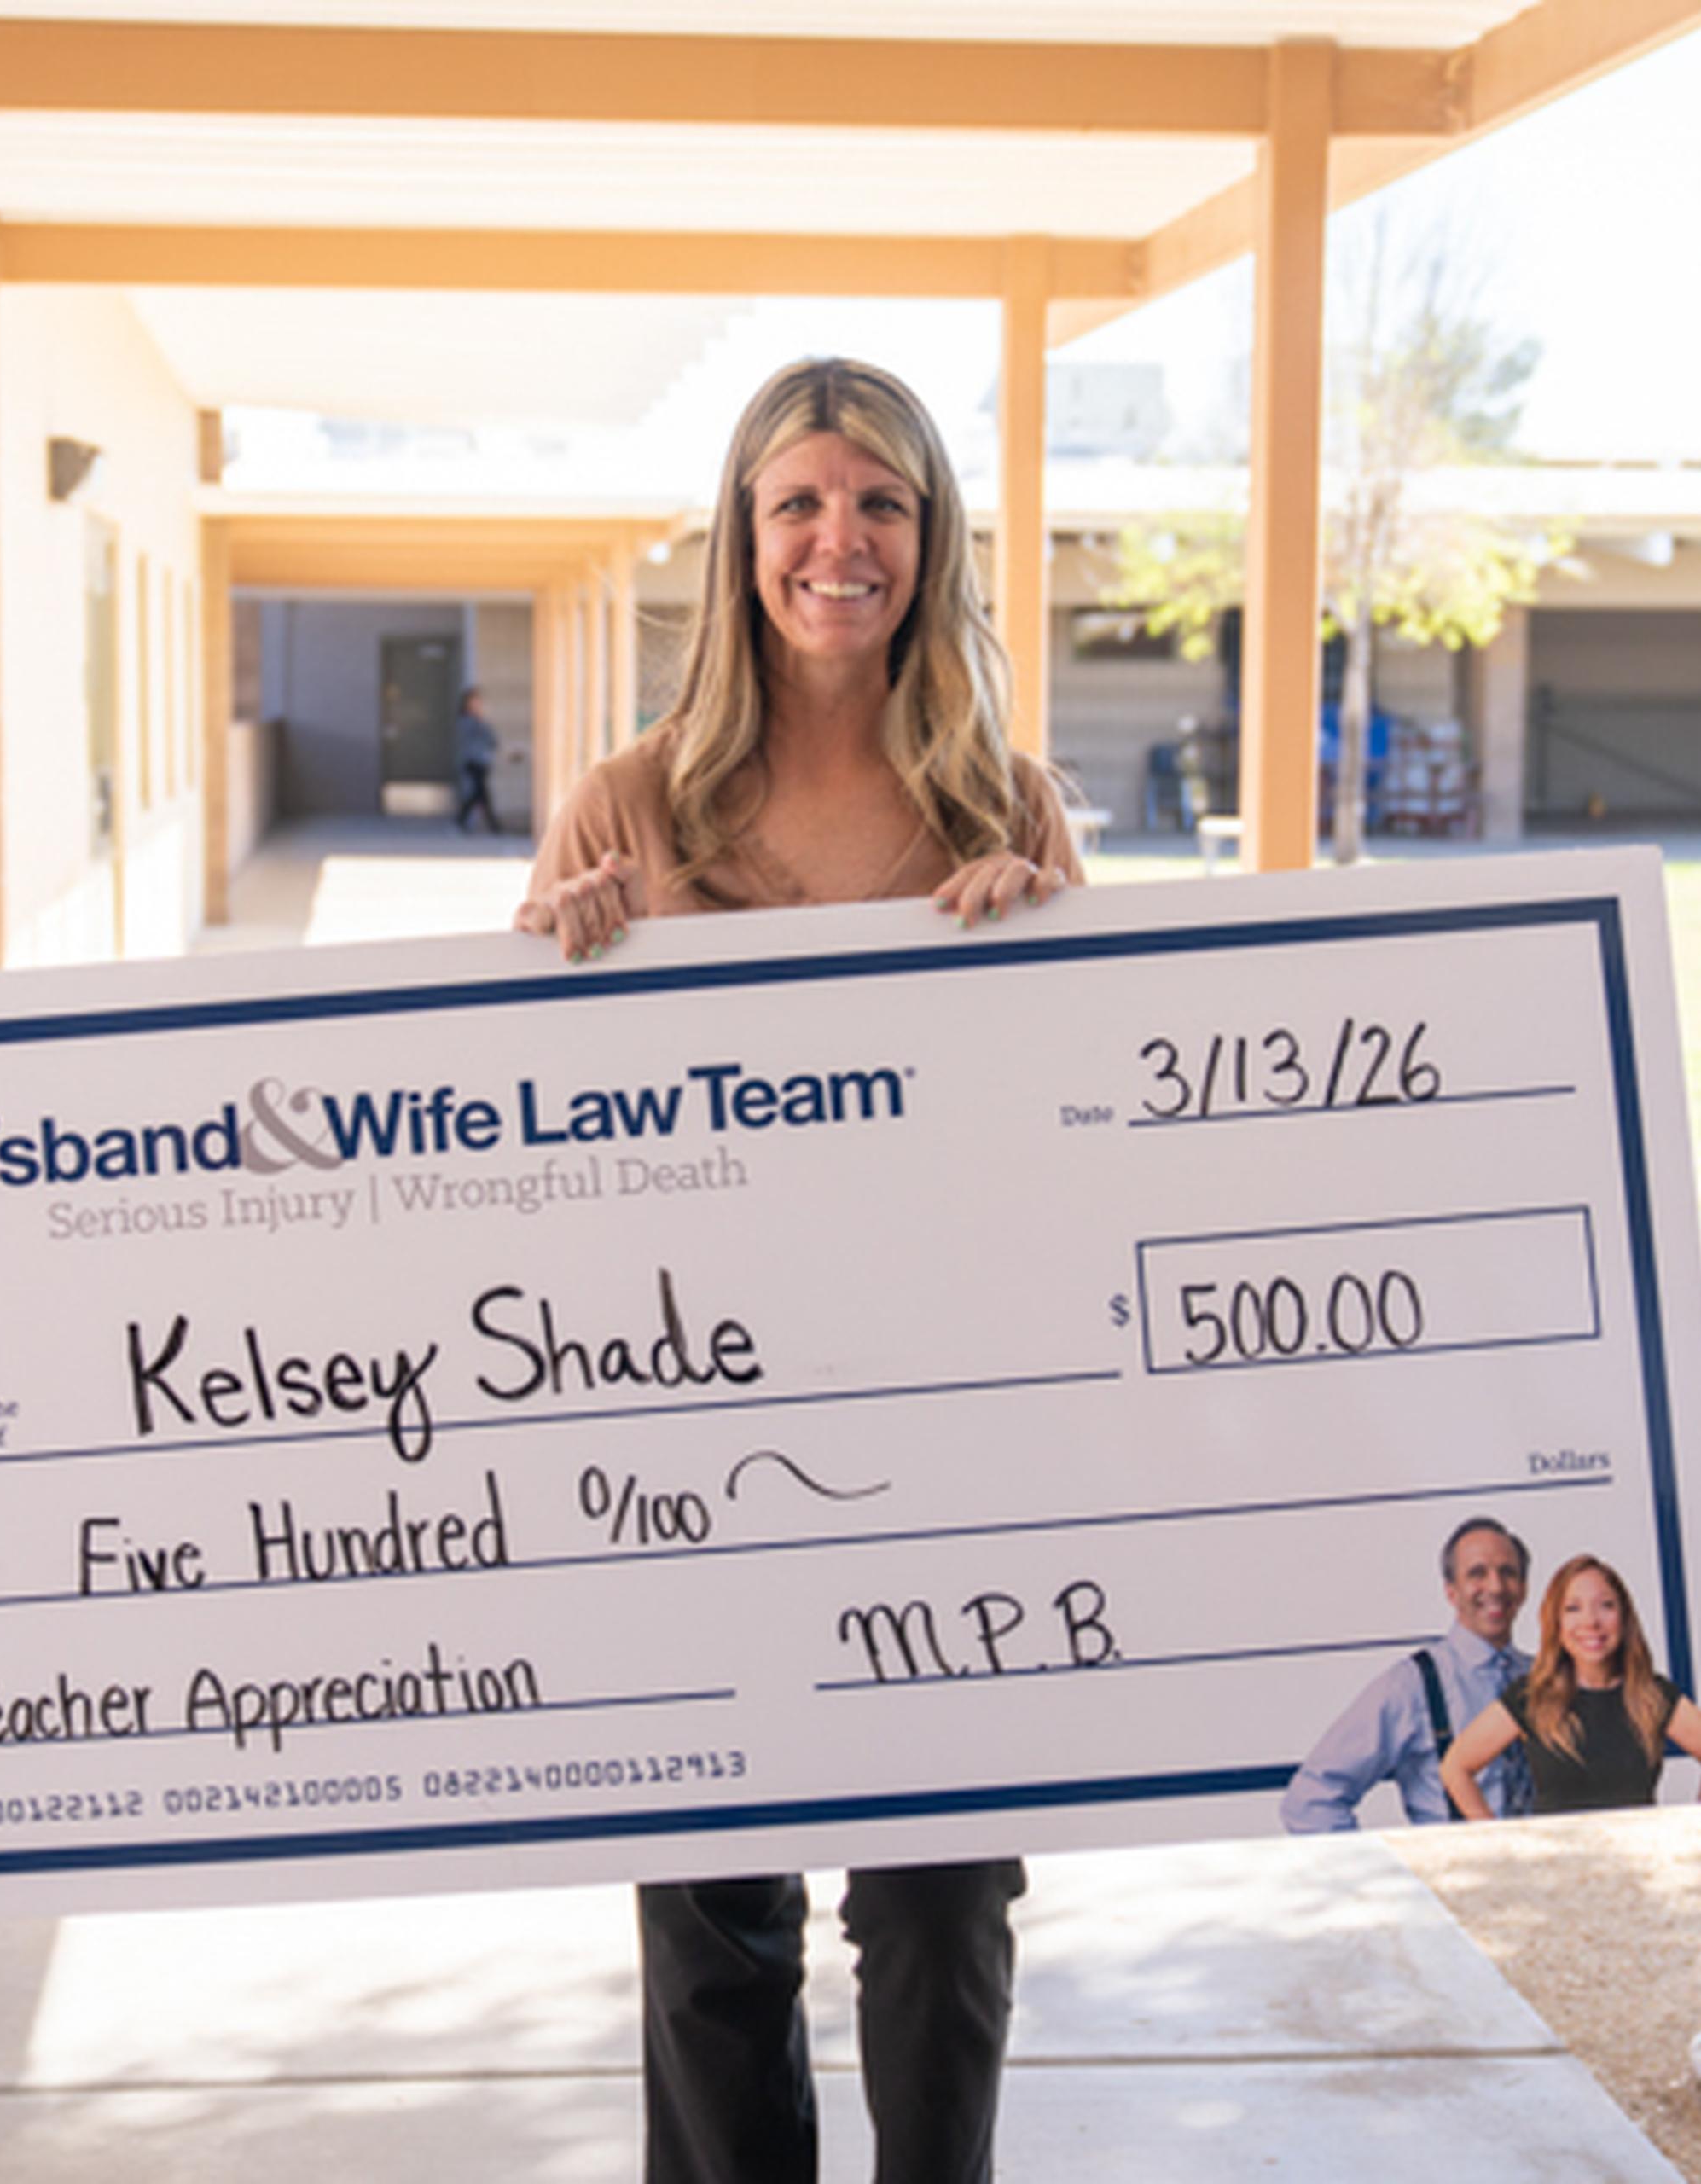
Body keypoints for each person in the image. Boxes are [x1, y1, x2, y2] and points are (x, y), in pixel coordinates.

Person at [515, 356, 1083, 2184]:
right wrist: (556, 974)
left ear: (932, 538)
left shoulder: (1008, 803)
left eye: (882, 502)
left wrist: (1046, 963)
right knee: (711, 1927)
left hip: (946, 1446)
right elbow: (519, 1167)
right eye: (801, 504)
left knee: (941, 1909)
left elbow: (1094, 1149)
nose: (841, 541)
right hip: (693, 1450)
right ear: (742, 539)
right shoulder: (626, 805)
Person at [1279, 1517, 1536, 1833]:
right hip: (1455, 1864)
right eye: (1477, 1573)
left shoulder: (1546, 1678)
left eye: (1508, 1572)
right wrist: (1379, 1865)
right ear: (1451, 1591)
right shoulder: (1412, 1685)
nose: (1495, 1587)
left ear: (1524, 1589)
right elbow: (1309, 1802)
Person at [1437, 1554, 1701, 1818]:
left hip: (1637, 1862)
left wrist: (1699, 1831)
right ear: (1556, 1622)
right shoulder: (1532, 1696)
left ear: (1624, 1617)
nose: (1591, 1621)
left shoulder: (1651, 1694)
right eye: (1573, 1608)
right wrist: (1500, 1844)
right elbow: (1455, 1767)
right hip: (1558, 1864)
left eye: (1605, 1606)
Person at [454, 684, 502, 834]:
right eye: (474, 701)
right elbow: (479, 739)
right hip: (472, 762)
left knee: (478, 794)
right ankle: (493, 825)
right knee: (481, 794)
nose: (477, 704)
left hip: (481, 761)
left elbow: (492, 740)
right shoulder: (467, 721)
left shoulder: (478, 720)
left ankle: (462, 821)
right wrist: (480, 721)